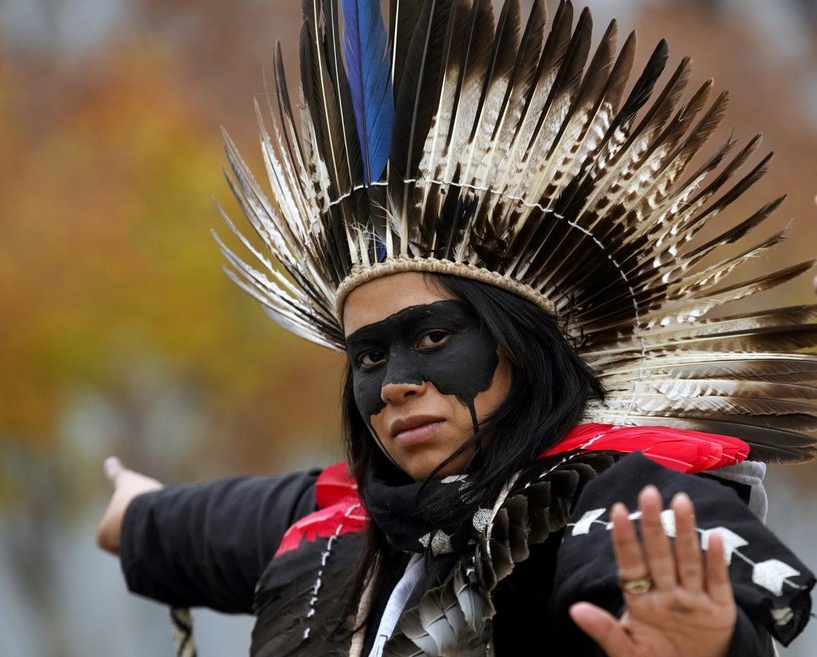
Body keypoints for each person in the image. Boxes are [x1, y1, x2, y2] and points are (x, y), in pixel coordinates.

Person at [98, 1, 817, 655]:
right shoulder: (346, 518)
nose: (397, 385)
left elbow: (678, 571)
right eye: (370, 355)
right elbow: (199, 524)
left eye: (433, 338)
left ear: (517, 344)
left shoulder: (612, 494)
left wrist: (717, 644)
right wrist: (134, 516)